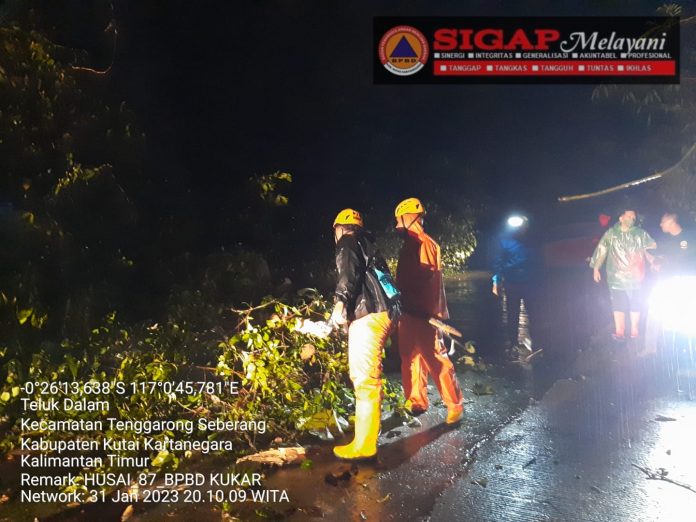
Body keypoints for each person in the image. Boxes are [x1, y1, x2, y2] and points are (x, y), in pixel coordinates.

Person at [330, 208, 396, 460]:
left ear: (338, 228)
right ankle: (364, 438)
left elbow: (348, 276)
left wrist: (339, 304)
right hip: (382, 314)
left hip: (369, 316)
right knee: (366, 377)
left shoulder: (347, 242)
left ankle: (365, 445)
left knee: (364, 379)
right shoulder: (369, 245)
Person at [394, 197, 463, 424]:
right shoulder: (409, 245)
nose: (398, 225)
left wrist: (430, 312)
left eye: (400, 220)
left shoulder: (425, 244)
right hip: (407, 312)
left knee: (435, 358)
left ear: (410, 218)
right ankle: (415, 400)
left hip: (424, 314)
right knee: (410, 358)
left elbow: (428, 279)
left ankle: (454, 405)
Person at [589, 208, 656, 340]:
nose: (632, 219)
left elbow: (651, 247)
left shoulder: (639, 233)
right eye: (629, 216)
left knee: (636, 302)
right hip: (616, 276)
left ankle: (635, 330)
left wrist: (654, 260)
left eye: (633, 217)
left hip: (636, 276)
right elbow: (602, 249)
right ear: (621, 218)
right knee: (618, 303)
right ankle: (620, 331)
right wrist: (596, 267)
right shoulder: (611, 234)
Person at [491, 215, 542, 352]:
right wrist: (496, 282)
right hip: (512, 283)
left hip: (530, 283)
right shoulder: (505, 242)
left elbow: (540, 261)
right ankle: (513, 343)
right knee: (512, 314)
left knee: (534, 313)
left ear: (526, 227)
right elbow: (497, 262)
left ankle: (535, 342)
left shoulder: (533, 241)